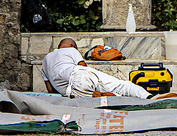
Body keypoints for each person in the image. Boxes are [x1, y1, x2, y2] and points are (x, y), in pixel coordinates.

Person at [41, 38, 170, 99]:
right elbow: (82, 67)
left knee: (100, 99)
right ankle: (149, 97)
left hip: (71, 92)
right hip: (78, 76)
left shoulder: (46, 59)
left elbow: (51, 90)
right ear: (71, 45)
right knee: (121, 85)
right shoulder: (70, 49)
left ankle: (106, 96)